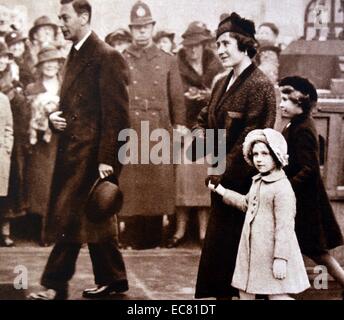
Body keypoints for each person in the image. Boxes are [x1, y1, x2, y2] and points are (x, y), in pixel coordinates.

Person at [28, 0, 130, 300]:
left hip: (92, 158)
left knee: (70, 219)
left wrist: (108, 160)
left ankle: (53, 285)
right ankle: (113, 279)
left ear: (83, 17)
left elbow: (118, 115)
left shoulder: (106, 56)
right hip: (74, 153)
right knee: (95, 219)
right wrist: (54, 119)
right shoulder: (74, 55)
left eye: (65, 17)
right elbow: (75, 106)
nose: (60, 24)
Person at [193, 12, 276, 299]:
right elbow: (203, 118)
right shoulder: (221, 82)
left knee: (242, 266)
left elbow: (252, 139)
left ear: (245, 44)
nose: (220, 50)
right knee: (221, 262)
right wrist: (200, 138)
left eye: (226, 43)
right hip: (220, 184)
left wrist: (221, 171)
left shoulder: (260, 86)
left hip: (244, 188)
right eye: (217, 44)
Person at [208, 128, 310, 300]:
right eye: (255, 154)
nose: (259, 159)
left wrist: (280, 258)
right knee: (245, 291)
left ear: (277, 155)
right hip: (250, 251)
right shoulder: (258, 182)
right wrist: (221, 190)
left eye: (265, 153)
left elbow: (285, 227)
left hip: (270, 253)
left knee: (277, 296)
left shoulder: (282, 188)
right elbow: (246, 204)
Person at [119, 0, 185, 250]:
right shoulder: (122, 58)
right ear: (132, 31)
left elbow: (176, 96)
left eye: (146, 27)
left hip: (158, 126)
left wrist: (179, 124)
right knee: (132, 184)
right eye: (137, 28)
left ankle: (155, 236)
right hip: (132, 125)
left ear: (152, 28)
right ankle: (131, 236)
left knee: (158, 184)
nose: (142, 32)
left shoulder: (167, 59)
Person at [279, 76, 344, 298]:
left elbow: (310, 169)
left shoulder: (303, 129)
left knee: (318, 252)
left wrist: (286, 186)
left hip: (306, 203)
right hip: (299, 200)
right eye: (282, 98)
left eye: (287, 100)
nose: (282, 104)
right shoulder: (294, 125)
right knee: (301, 248)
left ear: (301, 103)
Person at [166, 21, 224, 248]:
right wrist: (185, 99)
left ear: (204, 45)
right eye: (189, 46)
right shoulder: (177, 64)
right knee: (183, 180)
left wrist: (207, 95)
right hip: (186, 127)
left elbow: (225, 92)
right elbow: (171, 94)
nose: (192, 50)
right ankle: (179, 230)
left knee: (205, 180)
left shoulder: (215, 65)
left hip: (211, 129)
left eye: (197, 46)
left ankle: (203, 231)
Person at [25, 46, 64, 246]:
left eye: (53, 61)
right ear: (40, 66)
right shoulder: (32, 89)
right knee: (43, 186)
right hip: (41, 144)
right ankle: (43, 231)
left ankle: (62, 231)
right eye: (46, 62)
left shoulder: (66, 86)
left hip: (63, 142)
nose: (50, 65)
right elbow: (26, 117)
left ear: (59, 64)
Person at [0, 42, 30, 247]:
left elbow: (9, 124)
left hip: (4, 145)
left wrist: (6, 147)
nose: (3, 61)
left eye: (6, 57)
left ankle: (4, 229)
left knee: (6, 188)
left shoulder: (10, 86)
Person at [0, 92, 14, 247]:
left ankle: (4, 233)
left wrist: (6, 149)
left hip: (0, 154)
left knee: (1, 196)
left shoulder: (3, 99)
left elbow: (9, 128)